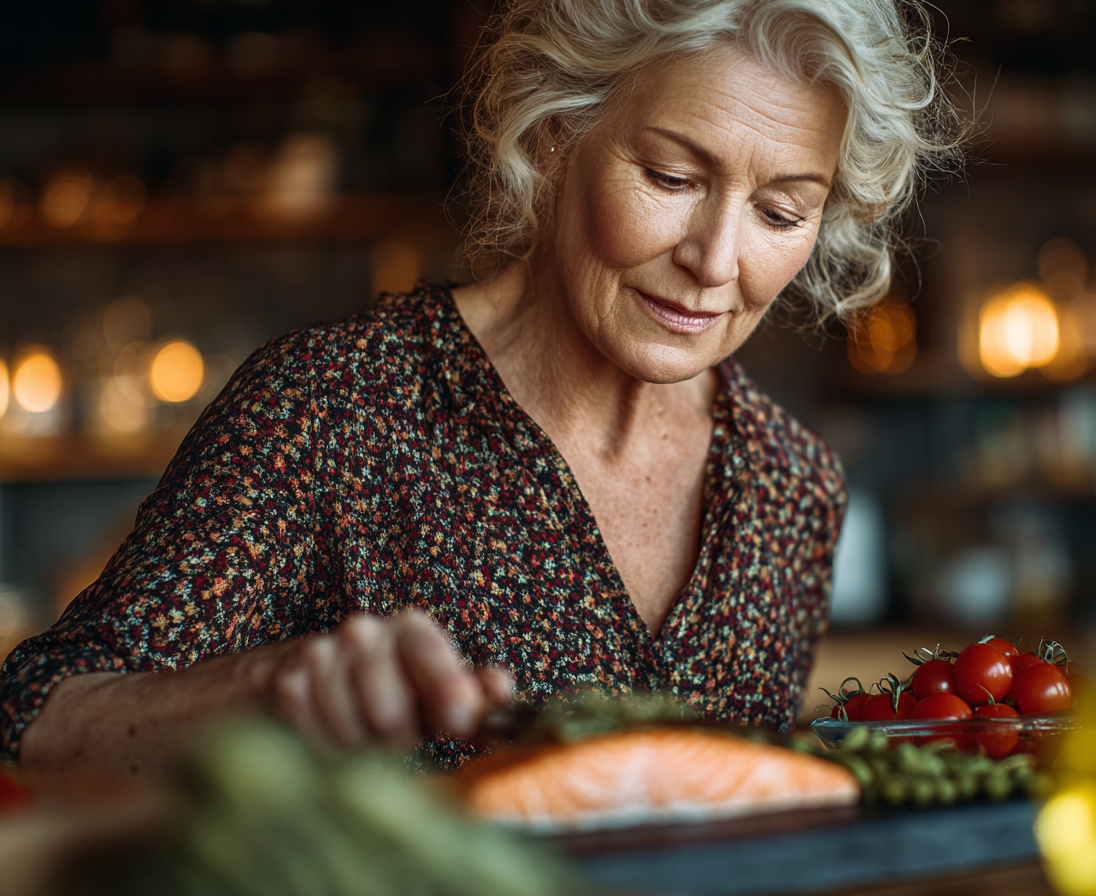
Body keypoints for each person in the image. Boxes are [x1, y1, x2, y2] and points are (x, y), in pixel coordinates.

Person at [1, 0, 956, 775]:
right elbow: (28, 719)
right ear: (554, 139)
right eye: (670, 177)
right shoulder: (337, 407)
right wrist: (262, 693)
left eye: (782, 211)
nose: (716, 261)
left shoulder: (793, 486)